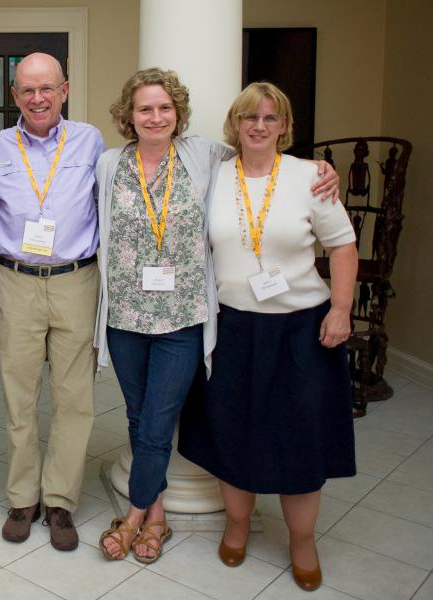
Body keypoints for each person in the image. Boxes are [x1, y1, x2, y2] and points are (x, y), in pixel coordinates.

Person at [93, 68, 340, 565]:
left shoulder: (205, 156)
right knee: (139, 416)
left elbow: (263, 159)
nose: (155, 116)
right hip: (124, 317)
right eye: (145, 108)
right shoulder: (107, 165)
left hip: (184, 318)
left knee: (159, 423)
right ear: (129, 117)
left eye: (165, 107)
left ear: (178, 114)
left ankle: (136, 514)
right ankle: (157, 517)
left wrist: (318, 167)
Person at [178, 82, 357, 592]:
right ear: (234, 124)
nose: (259, 126)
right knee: (232, 428)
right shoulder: (215, 177)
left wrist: (341, 310)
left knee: (301, 435)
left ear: (284, 126)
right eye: (249, 117)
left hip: (302, 328)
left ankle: (302, 539)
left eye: (270, 118)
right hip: (232, 326)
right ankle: (237, 524)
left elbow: (342, 245)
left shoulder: (308, 178)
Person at [0, 52, 105, 551]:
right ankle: (22, 497)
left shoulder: (91, 141)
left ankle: (61, 501)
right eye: (27, 90)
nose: (37, 98)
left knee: (75, 399)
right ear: (14, 96)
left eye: (46, 88)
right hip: (16, 282)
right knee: (18, 394)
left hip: (76, 280)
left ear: (64, 90)